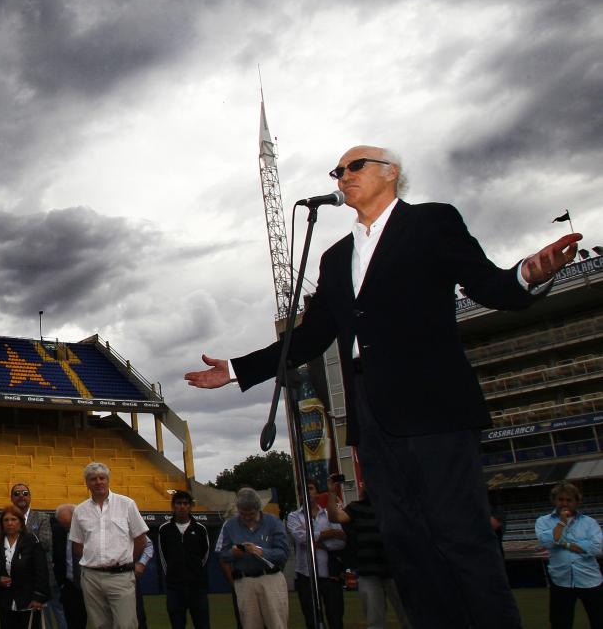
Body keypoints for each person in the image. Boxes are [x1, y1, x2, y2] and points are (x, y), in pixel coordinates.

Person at [186, 145, 582, 629]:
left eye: (355, 166)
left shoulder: (431, 222)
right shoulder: (335, 258)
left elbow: (486, 284)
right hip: (372, 416)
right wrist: (236, 369)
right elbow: (310, 336)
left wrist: (526, 275)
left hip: (435, 406)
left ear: (390, 173)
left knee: (461, 535)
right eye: (338, 170)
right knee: (407, 545)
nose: (343, 175)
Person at [68, 462, 148, 629]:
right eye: (93, 479)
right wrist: (95, 560)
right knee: (99, 625)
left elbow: (141, 539)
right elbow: (77, 545)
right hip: (91, 577)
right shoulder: (80, 510)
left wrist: (127, 561)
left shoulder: (127, 504)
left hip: (121, 576)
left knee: (126, 625)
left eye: (102, 478)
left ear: (108, 480)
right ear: (87, 483)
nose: (98, 482)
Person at [327, 482, 410, 629]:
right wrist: (332, 493)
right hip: (368, 573)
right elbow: (335, 517)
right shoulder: (356, 507)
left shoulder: (389, 505)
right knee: (375, 622)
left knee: (408, 618)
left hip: (395, 571)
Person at [215, 488, 289, 629]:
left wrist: (261, 551)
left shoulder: (273, 522)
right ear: (238, 509)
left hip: (270, 579)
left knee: (276, 623)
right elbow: (223, 555)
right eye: (243, 514)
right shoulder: (230, 525)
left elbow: (283, 553)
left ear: (258, 508)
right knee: (249, 624)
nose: (247, 517)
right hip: (245, 581)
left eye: (251, 514)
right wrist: (234, 553)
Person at [535, 482, 603, 628]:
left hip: (590, 579)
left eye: (569, 500)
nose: (564, 503)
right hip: (561, 580)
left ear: (577, 502)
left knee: (599, 620)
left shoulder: (589, 523)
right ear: (554, 500)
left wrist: (564, 543)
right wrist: (562, 522)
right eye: (560, 499)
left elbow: (597, 548)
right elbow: (548, 541)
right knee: (560, 623)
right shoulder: (542, 521)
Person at [287, 482, 345, 629]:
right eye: (302, 491)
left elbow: (341, 542)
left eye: (310, 489)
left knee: (336, 617)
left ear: (318, 493)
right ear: (299, 496)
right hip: (306, 575)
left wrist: (317, 541)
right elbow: (301, 538)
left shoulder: (329, 515)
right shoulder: (294, 516)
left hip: (330, 574)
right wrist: (330, 533)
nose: (306, 492)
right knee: (311, 619)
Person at [0, 504, 50, 629]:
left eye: (13, 519)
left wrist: (39, 597)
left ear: (20, 522)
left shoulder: (32, 541)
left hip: (29, 600)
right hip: (5, 601)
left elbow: (41, 570)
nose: (10, 523)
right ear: (2, 523)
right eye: (6, 520)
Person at [156, 491, 210, 629]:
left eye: (185, 503)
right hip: (175, 587)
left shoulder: (200, 529)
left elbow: (205, 554)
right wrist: (173, 574)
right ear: (173, 506)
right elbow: (163, 556)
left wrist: (195, 571)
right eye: (179, 503)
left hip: (197, 586)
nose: (182, 507)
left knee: (202, 624)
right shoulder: (164, 529)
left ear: (191, 506)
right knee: (177, 624)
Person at [51, 504, 85, 629]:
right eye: (64, 525)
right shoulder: (58, 531)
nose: (68, 528)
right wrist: (62, 583)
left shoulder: (88, 529)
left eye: (69, 524)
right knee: (72, 620)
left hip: (89, 581)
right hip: (69, 584)